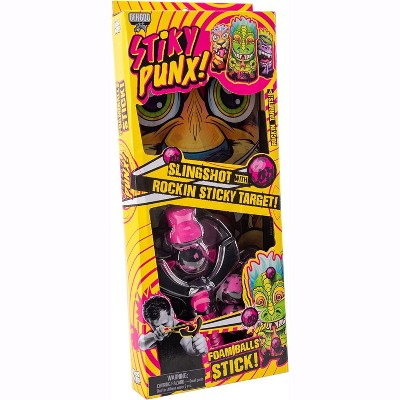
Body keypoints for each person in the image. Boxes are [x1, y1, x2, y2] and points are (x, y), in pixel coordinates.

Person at [139, 296, 208, 374]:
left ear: (172, 313)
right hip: (167, 380)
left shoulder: (185, 329)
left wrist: (196, 349)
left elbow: (189, 346)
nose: (161, 328)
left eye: (165, 323)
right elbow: (142, 344)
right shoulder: (156, 334)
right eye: (155, 326)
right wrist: (155, 336)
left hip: (193, 379)